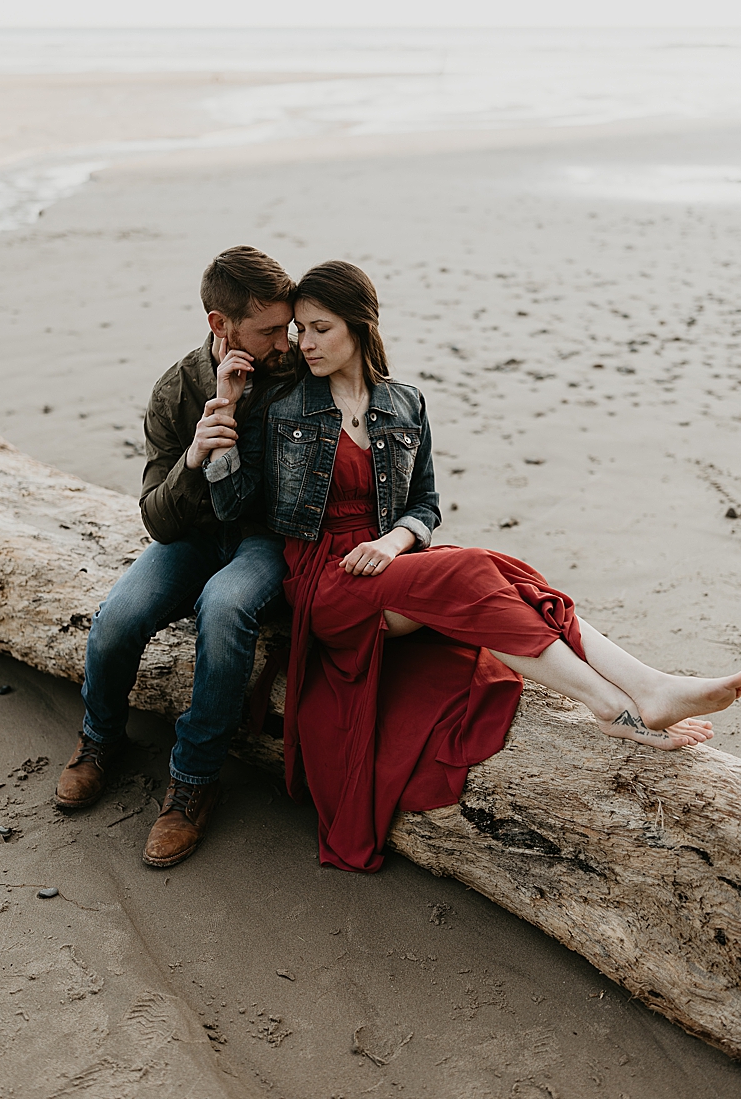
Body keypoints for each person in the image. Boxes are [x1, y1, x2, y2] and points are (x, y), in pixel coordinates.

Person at [206, 259, 736, 872]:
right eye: (299, 330)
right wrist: (223, 415)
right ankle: (615, 706)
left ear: (358, 325)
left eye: (320, 328)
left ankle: (646, 689)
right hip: (327, 582)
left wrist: (395, 542)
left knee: (500, 571)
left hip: (389, 565)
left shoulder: (404, 403)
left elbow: (425, 504)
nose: (305, 343)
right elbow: (233, 505)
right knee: (479, 568)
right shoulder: (281, 405)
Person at [52, 245, 297, 869]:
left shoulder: (299, 378)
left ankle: (193, 781)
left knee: (223, 608)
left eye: (288, 325)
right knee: (119, 616)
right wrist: (195, 457)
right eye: (269, 329)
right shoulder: (176, 388)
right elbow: (158, 521)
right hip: (190, 537)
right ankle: (100, 740)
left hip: (264, 539)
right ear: (221, 324)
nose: (285, 340)